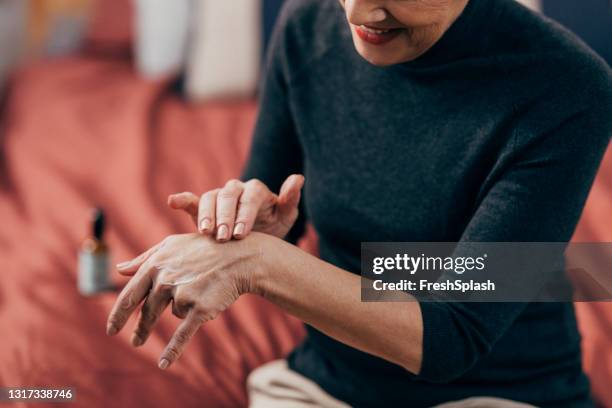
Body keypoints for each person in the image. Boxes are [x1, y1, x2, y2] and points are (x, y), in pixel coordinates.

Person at [106, 0, 612, 406]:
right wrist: (248, 225)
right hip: (325, 383)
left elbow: (454, 334)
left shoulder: (566, 86)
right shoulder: (307, 22)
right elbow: (278, 198)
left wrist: (260, 264)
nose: (357, 14)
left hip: (498, 392)